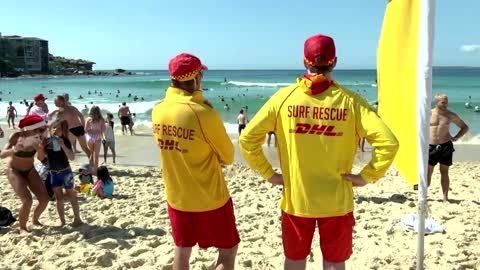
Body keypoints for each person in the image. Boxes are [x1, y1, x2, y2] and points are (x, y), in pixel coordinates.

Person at [238, 34, 399, 270]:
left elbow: (247, 139)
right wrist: (366, 177)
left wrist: (269, 173)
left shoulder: (283, 98)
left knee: (294, 260)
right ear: (335, 62)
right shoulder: (351, 101)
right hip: (336, 201)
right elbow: (389, 143)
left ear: (305, 62)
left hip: (296, 199)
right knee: (334, 262)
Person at [152, 53, 239, 269]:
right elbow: (228, 156)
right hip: (209, 197)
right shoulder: (203, 114)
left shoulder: (158, 110)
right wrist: (206, 108)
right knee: (228, 250)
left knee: (182, 251)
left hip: (177, 196)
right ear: (196, 79)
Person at [0, 115, 50, 234]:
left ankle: (35, 220)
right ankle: (22, 227)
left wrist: (40, 149)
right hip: (14, 170)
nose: (40, 132)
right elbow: (2, 155)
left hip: (30, 170)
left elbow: (41, 158)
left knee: (44, 199)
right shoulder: (17, 136)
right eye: (38, 129)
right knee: (27, 200)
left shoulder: (40, 139)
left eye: (42, 129)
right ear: (29, 129)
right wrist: (15, 150)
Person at [428, 93, 469, 202]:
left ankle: (445, 198)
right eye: (443, 102)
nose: (446, 104)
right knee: (428, 172)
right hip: (430, 146)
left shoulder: (450, 115)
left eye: (446, 102)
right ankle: (423, 195)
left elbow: (464, 127)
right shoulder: (428, 113)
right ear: (436, 102)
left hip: (445, 146)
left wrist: (455, 138)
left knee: (444, 172)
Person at [44, 119, 82, 226]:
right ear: (50, 129)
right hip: (54, 174)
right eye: (54, 128)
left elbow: (72, 157)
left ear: (63, 130)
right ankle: (62, 221)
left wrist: (63, 146)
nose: (56, 130)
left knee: (71, 195)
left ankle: (77, 218)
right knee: (59, 198)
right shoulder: (47, 142)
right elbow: (41, 157)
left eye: (59, 128)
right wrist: (40, 147)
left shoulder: (65, 140)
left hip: (66, 173)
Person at [85, 106, 105, 174]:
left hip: (90, 137)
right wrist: (98, 131)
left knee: (91, 153)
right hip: (97, 137)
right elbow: (103, 130)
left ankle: (91, 170)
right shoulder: (101, 119)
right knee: (96, 155)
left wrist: (91, 131)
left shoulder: (88, 119)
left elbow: (86, 130)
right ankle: (95, 171)